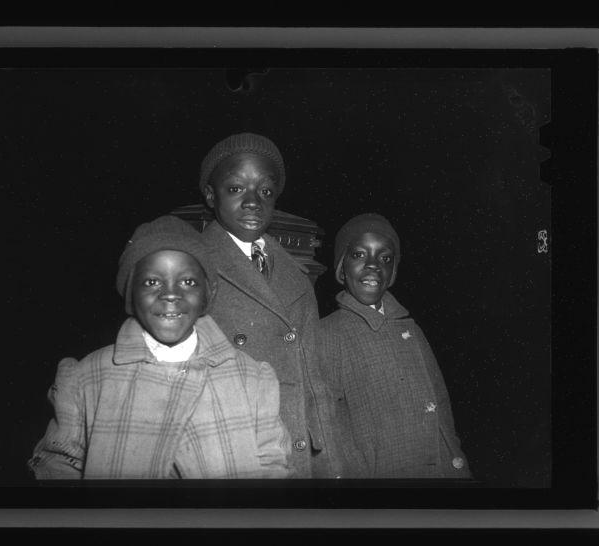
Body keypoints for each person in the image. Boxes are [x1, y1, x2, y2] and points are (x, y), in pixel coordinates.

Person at [27, 215, 290, 479]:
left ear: (208, 295)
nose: (170, 294)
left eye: (188, 282)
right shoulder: (86, 379)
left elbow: (273, 469)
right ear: (130, 295)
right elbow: (57, 466)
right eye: (152, 282)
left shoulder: (252, 379)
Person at [198, 132, 341, 478]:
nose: (253, 202)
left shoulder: (297, 276)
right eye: (235, 189)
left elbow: (314, 382)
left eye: (265, 191)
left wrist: (331, 462)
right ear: (209, 194)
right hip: (236, 457)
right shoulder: (192, 268)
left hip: (299, 451)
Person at [319, 213, 472, 479]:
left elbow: (441, 407)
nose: (373, 265)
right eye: (358, 255)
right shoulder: (327, 334)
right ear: (342, 268)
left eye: (385, 258)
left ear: (392, 273)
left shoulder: (409, 327)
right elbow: (329, 431)